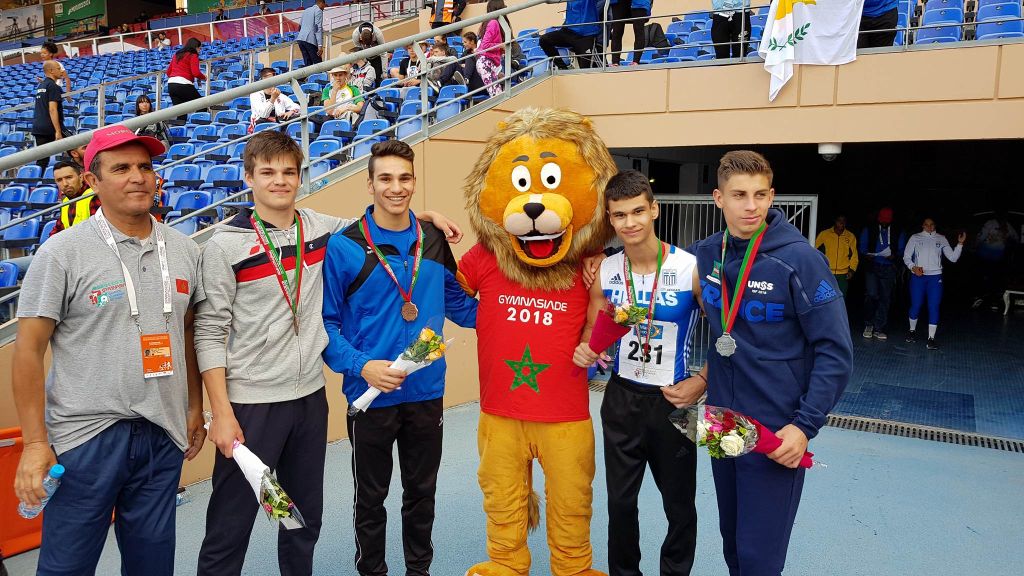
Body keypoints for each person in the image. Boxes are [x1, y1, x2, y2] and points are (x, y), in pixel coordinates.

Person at [194, 131, 462, 575]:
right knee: (233, 520)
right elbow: (208, 331)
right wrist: (220, 411)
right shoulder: (224, 244)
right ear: (248, 177)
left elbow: (380, 223)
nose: (280, 181)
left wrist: (425, 218)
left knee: (301, 518)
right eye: (267, 172)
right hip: (252, 403)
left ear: (301, 177)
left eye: (289, 172)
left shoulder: (320, 229)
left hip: (308, 398)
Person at [11, 124, 207, 576]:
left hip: (162, 433)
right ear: (92, 181)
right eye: (121, 168)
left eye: (145, 166)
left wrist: (194, 407)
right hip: (86, 439)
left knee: (151, 565)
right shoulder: (62, 252)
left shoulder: (184, 250)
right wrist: (36, 443)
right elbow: (28, 350)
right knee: (66, 568)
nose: (137, 177)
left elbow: (189, 332)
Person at [690, 150, 853, 576]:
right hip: (722, 421)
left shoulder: (800, 261)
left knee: (760, 556)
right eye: (739, 195)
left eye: (760, 195)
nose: (751, 206)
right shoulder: (705, 254)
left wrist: (804, 426)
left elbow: (836, 351)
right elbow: (650, 265)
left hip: (776, 427)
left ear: (772, 195)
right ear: (718, 198)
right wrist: (594, 260)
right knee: (733, 545)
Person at [321, 140, 478, 576]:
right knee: (370, 499)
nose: (396, 187)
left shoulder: (432, 239)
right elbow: (326, 326)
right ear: (370, 184)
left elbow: (459, 305)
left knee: (421, 494)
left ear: (414, 181)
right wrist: (361, 365)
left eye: (405, 178)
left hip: (426, 392)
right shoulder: (345, 247)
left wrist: (514, 310)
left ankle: (418, 571)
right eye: (386, 178)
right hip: (370, 395)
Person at [573, 170, 703, 576]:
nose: (629, 223)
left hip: (674, 403)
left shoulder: (690, 268)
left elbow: (728, 336)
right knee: (620, 504)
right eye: (619, 215)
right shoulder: (606, 270)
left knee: (679, 505)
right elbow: (592, 330)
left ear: (654, 210)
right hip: (621, 399)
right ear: (610, 219)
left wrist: (702, 381)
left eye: (637, 212)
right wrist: (588, 349)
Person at [903, 218, 965, 350]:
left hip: (935, 277)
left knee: (934, 306)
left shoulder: (941, 238)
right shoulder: (915, 237)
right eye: (926, 224)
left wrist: (960, 244)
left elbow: (953, 258)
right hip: (918, 277)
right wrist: (913, 267)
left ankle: (931, 339)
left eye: (931, 225)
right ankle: (912, 331)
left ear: (935, 225)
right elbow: (906, 257)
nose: (929, 227)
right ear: (922, 225)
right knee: (916, 305)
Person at [859, 207, 905, 340]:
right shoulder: (869, 229)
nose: (884, 223)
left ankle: (879, 327)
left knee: (885, 298)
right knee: (871, 294)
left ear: (891, 220)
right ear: (878, 219)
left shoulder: (898, 231)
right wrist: (866, 254)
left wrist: (894, 255)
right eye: (882, 220)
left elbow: (902, 249)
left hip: (889, 267)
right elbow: (862, 247)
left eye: (887, 221)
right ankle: (869, 324)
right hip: (872, 265)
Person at [539, 0, 601, 70]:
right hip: (569, 31)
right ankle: (562, 68)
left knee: (585, 69)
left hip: (585, 35)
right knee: (544, 40)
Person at [32, 60, 66, 170]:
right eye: (58, 68)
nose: (61, 71)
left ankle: (38, 179)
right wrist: (58, 131)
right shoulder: (52, 86)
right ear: (51, 71)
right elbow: (52, 109)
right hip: (51, 127)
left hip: (38, 127)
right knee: (76, 149)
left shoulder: (41, 85)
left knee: (42, 160)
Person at [50, 161, 98, 237]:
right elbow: (57, 230)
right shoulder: (65, 202)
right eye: (59, 180)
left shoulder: (94, 196)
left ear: (81, 177)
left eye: (69, 177)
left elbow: (100, 230)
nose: (65, 184)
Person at [814, 215, 859, 297]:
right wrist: (818, 267)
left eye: (844, 221)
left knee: (841, 298)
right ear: (835, 221)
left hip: (843, 274)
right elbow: (814, 250)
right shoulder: (824, 234)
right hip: (827, 272)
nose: (841, 223)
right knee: (826, 298)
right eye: (839, 221)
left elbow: (854, 255)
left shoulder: (850, 236)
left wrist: (852, 270)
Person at [166, 38, 206, 121]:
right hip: (183, 84)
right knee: (202, 106)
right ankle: (196, 125)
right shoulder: (193, 55)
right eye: (199, 48)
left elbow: (168, 72)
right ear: (195, 47)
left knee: (181, 114)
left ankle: (180, 129)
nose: (200, 50)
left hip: (171, 85)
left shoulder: (177, 54)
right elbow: (196, 73)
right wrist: (204, 77)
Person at [476, 0, 508, 96]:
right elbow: (485, 45)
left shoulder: (490, 22)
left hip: (490, 62)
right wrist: (501, 45)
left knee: (498, 94)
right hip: (486, 62)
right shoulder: (493, 22)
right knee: (497, 95)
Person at [609, 0, 652, 65]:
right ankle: (615, 62)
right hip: (618, 3)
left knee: (638, 30)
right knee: (617, 31)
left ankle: (636, 61)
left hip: (639, 3)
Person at [297, 0, 326, 68]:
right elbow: (317, 28)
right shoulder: (318, 11)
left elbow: (299, 27)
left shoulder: (306, 10)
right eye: (324, 5)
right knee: (318, 64)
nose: (324, 7)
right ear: (322, 3)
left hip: (300, 39)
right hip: (310, 40)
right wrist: (320, 45)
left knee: (308, 65)